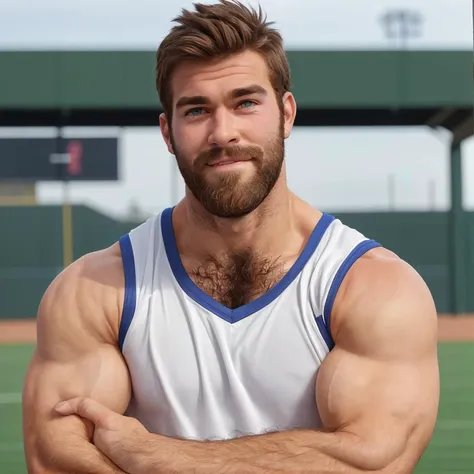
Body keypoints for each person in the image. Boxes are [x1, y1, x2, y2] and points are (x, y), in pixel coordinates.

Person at [22, 1, 440, 472]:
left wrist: (158, 456)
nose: (223, 133)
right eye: (197, 110)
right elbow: (56, 460)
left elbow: (373, 463)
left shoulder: (372, 288)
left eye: (245, 103)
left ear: (285, 113)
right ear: (168, 131)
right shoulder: (97, 290)